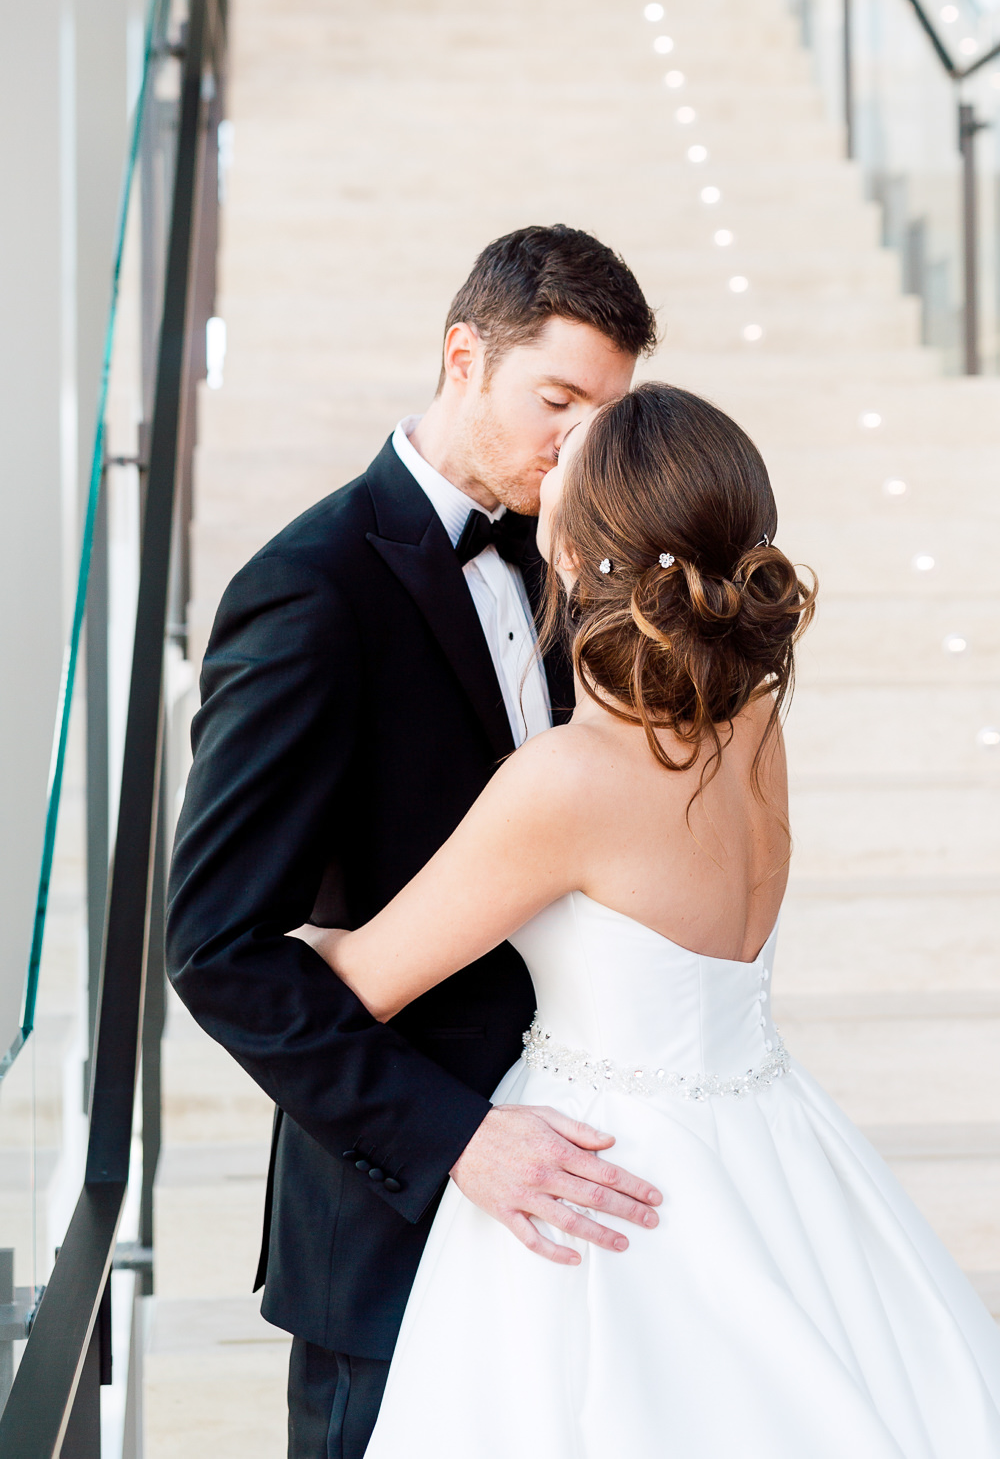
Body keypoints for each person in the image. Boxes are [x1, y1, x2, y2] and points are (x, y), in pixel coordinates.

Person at [295, 384, 1000, 1458]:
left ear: (567, 559)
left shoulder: (566, 780)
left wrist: (288, 926)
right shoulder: (756, 718)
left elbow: (361, 981)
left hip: (605, 1180)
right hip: (774, 1144)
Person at [165, 224, 661, 1459]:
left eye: (604, 413)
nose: (579, 444)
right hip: (394, 1207)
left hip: (575, 1170)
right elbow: (219, 948)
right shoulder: (310, 589)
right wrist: (457, 1140)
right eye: (557, 399)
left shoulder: (572, 558)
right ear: (461, 355)